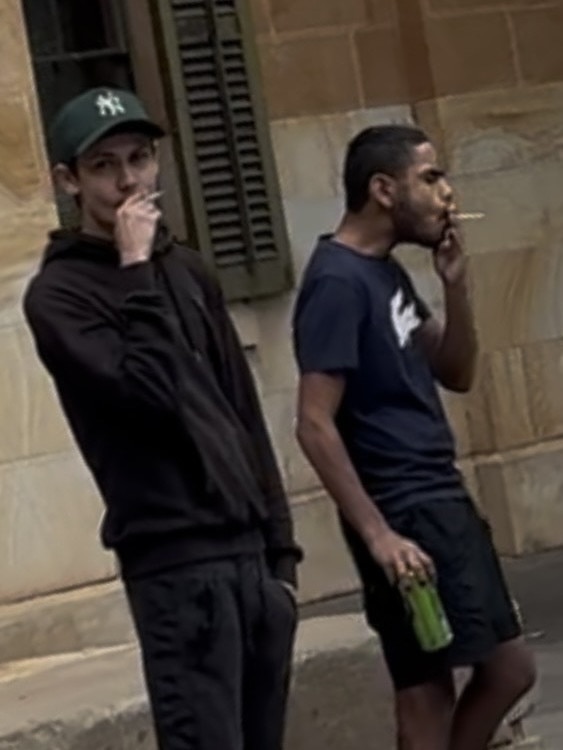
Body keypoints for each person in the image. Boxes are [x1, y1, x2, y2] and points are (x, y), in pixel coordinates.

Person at [23, 87, 302, 750]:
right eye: (104, 165)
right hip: (176, 568)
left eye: (140, 158)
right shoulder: (58, 296)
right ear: (69, 180)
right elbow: (146, 395)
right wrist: (134, 268)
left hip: (251, 564)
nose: (128, 180)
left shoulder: (189, 271)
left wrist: (282, 561)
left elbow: (239, 409)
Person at [292, 124, 535, 750]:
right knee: (426, 693)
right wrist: (378, 534)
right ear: (382, 189)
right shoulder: (337, 283)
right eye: (431, 178)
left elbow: (457, 371)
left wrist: (456, 284)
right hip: (402, 510)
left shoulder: (385, 274)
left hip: (440, 498)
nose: (447, 194)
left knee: (508, 669)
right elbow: (313, 423)